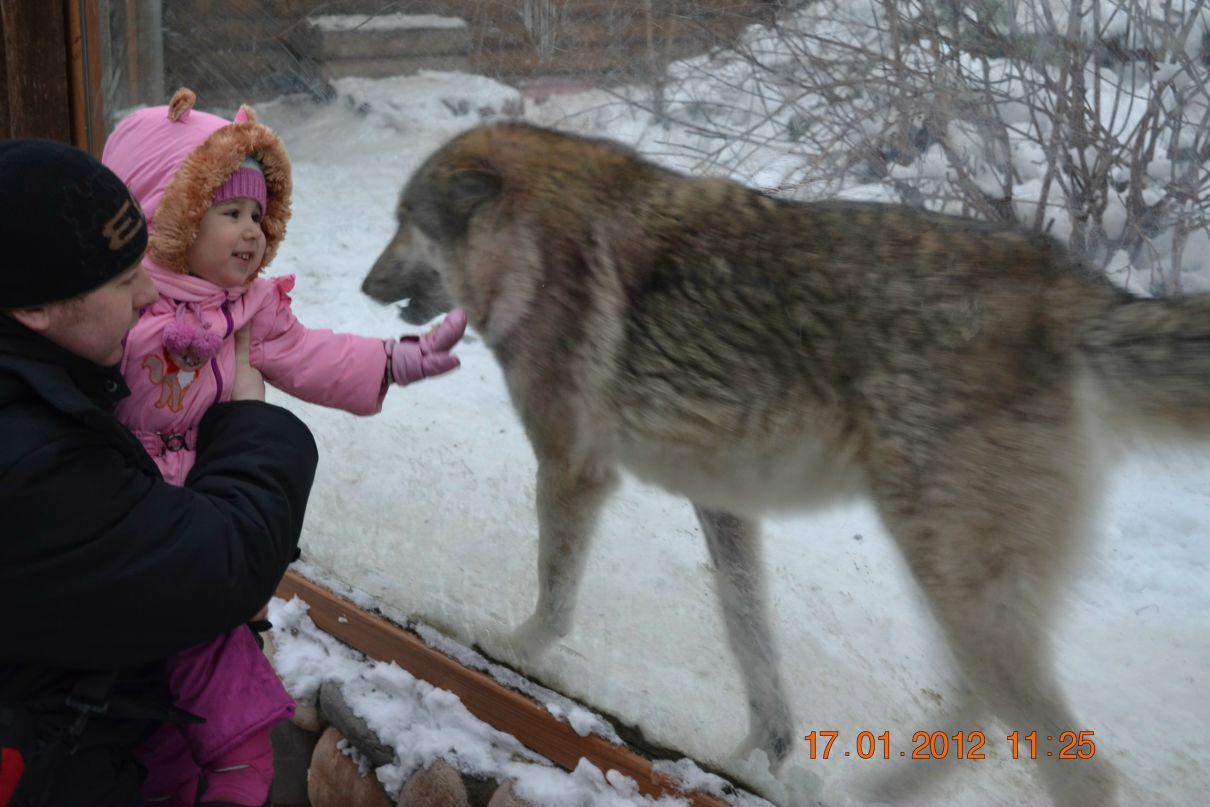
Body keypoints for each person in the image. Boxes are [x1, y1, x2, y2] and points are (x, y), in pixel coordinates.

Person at [99, 87, 466, 807]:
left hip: (205, 520)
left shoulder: (249, 310)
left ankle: (234, 773)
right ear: (164, 212)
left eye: (259, 217)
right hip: (127, 517)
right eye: (228, 212)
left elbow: (312, 355)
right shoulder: (118, 301)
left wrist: (396, 359)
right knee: (144, 698)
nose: (251, 233)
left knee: (214, 674)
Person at [0, 139, 319, 806]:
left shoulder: (43, 376)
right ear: (33, 308)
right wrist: (248, 417)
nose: (149, 292)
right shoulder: (27, 460)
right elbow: (217, 565)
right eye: (121, 280)